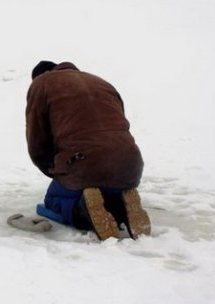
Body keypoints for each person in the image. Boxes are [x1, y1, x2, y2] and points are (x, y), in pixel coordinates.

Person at [25, 61, 151, 240]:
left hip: (84, 164)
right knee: (107, 189)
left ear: (39, 76)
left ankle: (82, 211)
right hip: (131, 164)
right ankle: (121, 207)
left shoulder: (42, 83)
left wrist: (54, 170)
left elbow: (37, 141)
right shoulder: (103, 83)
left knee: (53, 200)